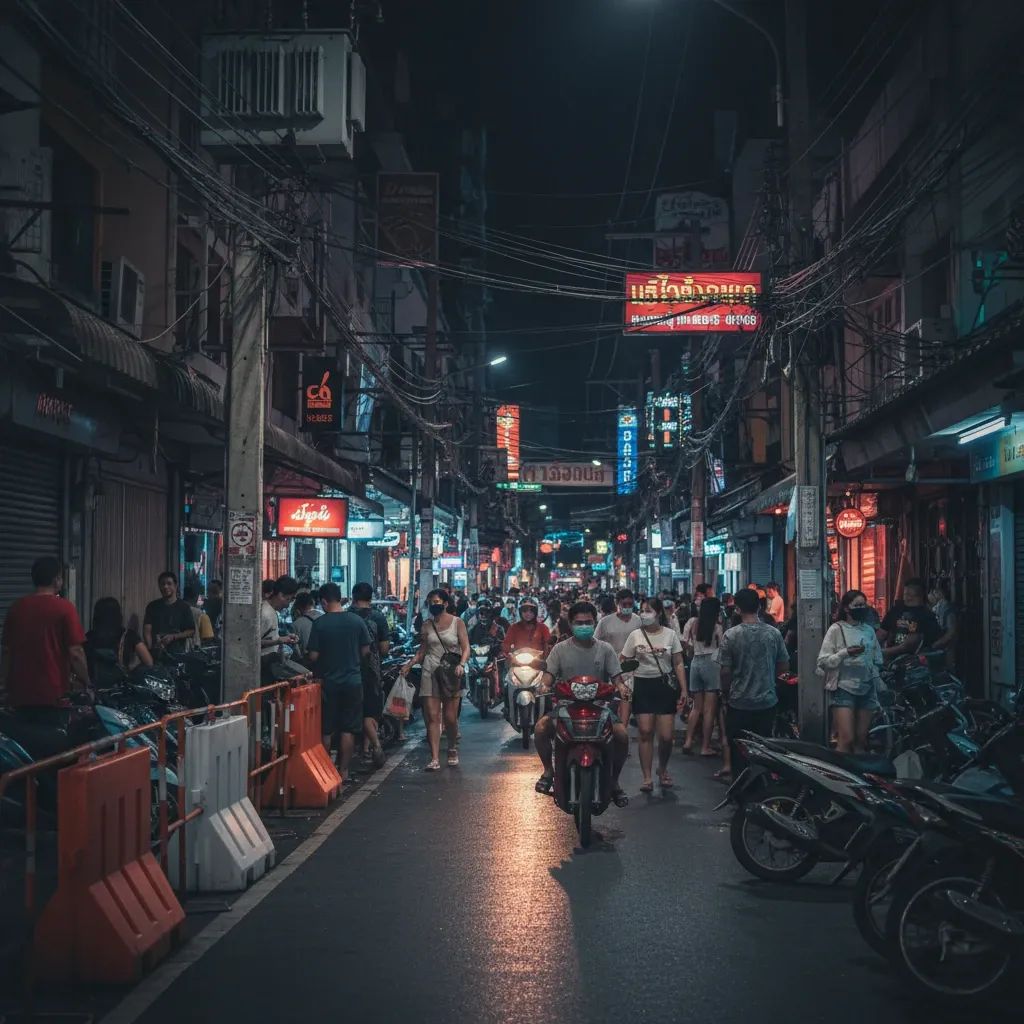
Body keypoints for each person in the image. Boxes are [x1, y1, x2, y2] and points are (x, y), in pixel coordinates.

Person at [533, 601, 629, 807]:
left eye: (588, 622)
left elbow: (617, 678)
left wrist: (622, 688)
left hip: (601, 709)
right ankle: (548, 771)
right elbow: (548, 677)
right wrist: (543, 686)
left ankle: (614, 781)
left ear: (595, 623)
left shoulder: (605, 649)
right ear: (571, 623)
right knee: (541, 728)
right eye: (579, 622)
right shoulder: (559, 650)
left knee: (621, 735)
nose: (584, 626)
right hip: (565, 707)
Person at [1, 557, 90, 716]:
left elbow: (7, 651)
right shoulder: (65, 608)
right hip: (53, 695)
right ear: (57, 580)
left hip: (19, 694)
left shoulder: (16, 607)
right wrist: (87, 682)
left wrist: (4, 685)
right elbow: (76, 652)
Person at [718, 588, 790, 777]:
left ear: (738, 609)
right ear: (759, 607)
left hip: (738, 702)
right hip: (766, 702)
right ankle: (762, 790)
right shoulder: (773, 634)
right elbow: (783, 666)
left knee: (738, 751)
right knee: (764, 751)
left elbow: (725, 672)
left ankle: (740, 792)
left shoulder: (731, 635)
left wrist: (725, 695)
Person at [306, 583, 371, 783]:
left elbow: (313, 656)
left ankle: (325, 773)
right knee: (348, 728)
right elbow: (366, 652)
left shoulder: (320, 624)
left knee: (326, 728)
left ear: (324, 601)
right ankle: (343, 771)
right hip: (353, 681)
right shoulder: (356, 621)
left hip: (328, 684)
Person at [621, 598, 688, 792]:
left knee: (666, 736)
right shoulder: (635, 635)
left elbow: (678, 662)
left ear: (658, 613)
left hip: (664, 686)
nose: (644, 614)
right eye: (642, 610)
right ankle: (647, 777)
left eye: (648, 610)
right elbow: (624, 658)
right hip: (642, 685)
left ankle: (663, 768)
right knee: (645, 732)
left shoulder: (670, 635)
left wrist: (684, 689)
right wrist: (627, 672)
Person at [401, 589, 470, 771]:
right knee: (432, 717)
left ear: (446, 603)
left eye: (437, 601)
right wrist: (410, 664)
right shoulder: (426, 625)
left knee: (450, 718)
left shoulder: (458, 623)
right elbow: (422, 651)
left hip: (450, 672)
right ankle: (434, 758)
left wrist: (461, 664)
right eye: (431, 601)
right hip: (430, 671)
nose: (434, 604)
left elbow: (466, 647)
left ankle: (452, 748)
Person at [817, 589, 884, 753]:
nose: (862, 608)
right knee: (846, 738)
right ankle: (839, 775)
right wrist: (845, 653)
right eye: (857, 605)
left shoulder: (868, 630)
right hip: (844, 688)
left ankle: (859, 776)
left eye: (864, 604)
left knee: (861, 739)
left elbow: (877, 659)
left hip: (867, 688)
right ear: (847, 608)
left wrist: (876, 678)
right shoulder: (836, 629)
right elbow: (823, 661)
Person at [349, 582, 390, 768]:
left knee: (356, 711)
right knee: (371, 711)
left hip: (350, 669)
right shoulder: (378, 617)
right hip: (372, 671)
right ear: (371, 597)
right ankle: (374, 746)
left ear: (353, 596)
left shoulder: (347, 616)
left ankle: (365, 751)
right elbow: (384, 648)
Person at [595, 588, 641, 735]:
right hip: (610, 669)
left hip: (631, 669)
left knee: (625, 701)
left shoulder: (638, 621)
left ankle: (622, 735)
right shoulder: (605, 622)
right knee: (611, 704)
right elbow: (595, 643)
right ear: (617, 603)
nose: (627, 607)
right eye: (624, 604)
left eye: (630, 604)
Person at [681, 596, 724, 757]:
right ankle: (705, 747)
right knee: (709, 710)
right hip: (711, 664)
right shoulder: (717, 627)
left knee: (696, 707)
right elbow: (722, 648)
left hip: (695, 663)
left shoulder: (693, 623)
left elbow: (685, 643)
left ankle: (688, 741)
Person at [85, 596, 153, 686]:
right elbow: (149, 662)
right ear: (118, 615)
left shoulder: (89, 637)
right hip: (120, 689)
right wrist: (132, 672)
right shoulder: (128, 635)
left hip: (95, 689)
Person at [879, 578, 941, 659]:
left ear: (921, 595)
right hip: (888, 658)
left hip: (913, 661)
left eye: (911, 595)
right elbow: (882, 633)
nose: (907, 597)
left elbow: (909, 645)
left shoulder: (926, 616)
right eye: (905, 594)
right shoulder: (896, 610)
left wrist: (882, 652)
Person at [260, 575, 302, 683]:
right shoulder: (265, 613)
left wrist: (283, 639)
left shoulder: (271, 611)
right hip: (264, 666)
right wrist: (278, 641)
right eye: (289, 599)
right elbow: (252, 643)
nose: (288, 605)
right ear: (281, 595)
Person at [143, 572, 197, 655]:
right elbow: (147, 630)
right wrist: (150, 648)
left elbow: (191, 631)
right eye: (162, 584)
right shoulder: (152, 606)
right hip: (156, 654)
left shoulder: (184, 607)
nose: (165, 587)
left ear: (175, 586)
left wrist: (173, 637)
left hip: (177, 653)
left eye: (169, 583)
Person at [928, 583, 958, 668]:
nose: (929, 596)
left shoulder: (947, 609)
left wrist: (937, 644)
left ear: (937, 593)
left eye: (930, 593)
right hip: (939, 648)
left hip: (947, 649)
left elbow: (951, 632)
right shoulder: (937, 608)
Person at [291, 592, 319, 657]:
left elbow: (297, 651)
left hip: (308, 663)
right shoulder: (323, 616)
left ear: (297, 607)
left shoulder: (296, 624)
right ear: (313, 603)